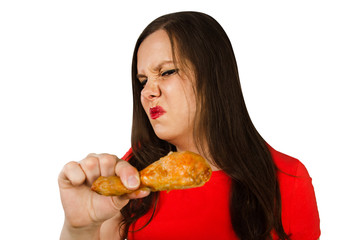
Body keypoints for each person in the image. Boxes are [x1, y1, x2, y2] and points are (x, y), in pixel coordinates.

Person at [58, 11, 320, 240]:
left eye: (167, 72)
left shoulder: (288, 179)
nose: (148, 92)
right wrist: (79, 229)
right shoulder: (134, 174)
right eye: (142, 80)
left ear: (214, 76)